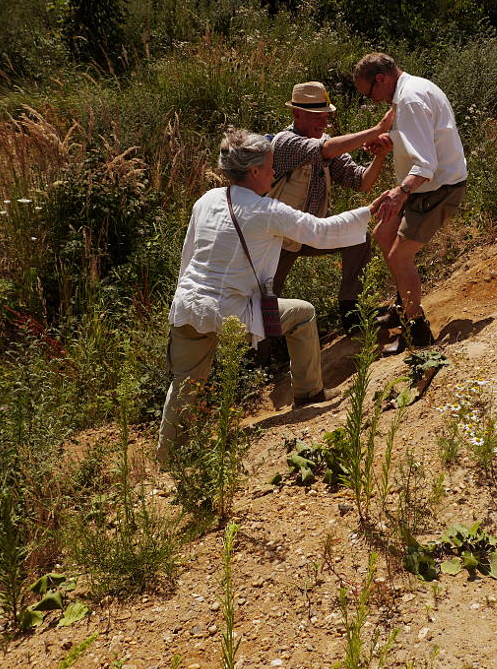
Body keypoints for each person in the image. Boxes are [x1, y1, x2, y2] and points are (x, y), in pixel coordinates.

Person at [156, 128, 381, 464]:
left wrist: (180, 302)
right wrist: (371, 210)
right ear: (255, 171)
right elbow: (321, 233)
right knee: (302, 314)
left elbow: (188, 257)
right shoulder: (267, 211)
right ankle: (310, 395)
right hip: (231, 314)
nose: (275, 173)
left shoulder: (206, 200)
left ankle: (167, 461)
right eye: (271, 166)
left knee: (183, 386)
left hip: (188, 306)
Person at [353, 53, 467, 354]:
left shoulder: (410, 100)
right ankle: (404, 303)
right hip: (424, 186)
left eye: (370, 93)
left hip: (436, 188)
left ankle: (418, 333)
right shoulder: (407, 91)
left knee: (400, 256)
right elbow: (412, 134)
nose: (373, 100)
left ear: (381, 79)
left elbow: (426, 164)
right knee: (382, 234)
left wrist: (399, 192)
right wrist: (388, 139)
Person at [270, 81, 395, 334]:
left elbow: (361, 182)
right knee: (264, 300)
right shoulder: (285, 143)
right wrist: (378, 130)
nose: (323, 123)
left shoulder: (325, 142)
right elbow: (325, 150)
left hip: (310, 232)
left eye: (326, 117)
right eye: (317, 117)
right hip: (277, 241)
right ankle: (257, 361)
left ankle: (352, 314)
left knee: (356, 237)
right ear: (296, 114)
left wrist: (380, 155)